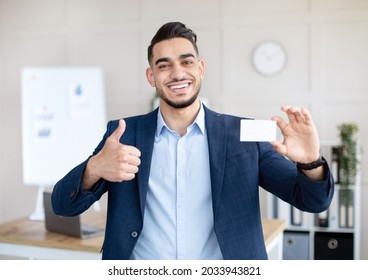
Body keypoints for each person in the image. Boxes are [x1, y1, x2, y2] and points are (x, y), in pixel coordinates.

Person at [51, 21, 334, 260]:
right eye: (164, 65)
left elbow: (311, 201)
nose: (177, 73)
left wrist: (311, 161)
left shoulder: (243, 134)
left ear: (200, 68)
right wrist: (94, 168)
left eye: (186, 62)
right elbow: (63, 205)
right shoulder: (123, 134)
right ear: (152, 76)